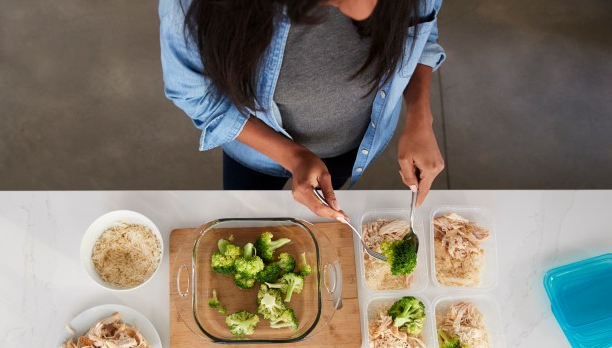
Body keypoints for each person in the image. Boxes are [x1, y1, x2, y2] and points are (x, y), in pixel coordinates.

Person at [159, 0, 445, 221]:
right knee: (246, 215)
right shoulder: (192, 6)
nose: (365, 11)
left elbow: (421, 31)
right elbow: (195, 94)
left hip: (353, 142)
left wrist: (420, 118)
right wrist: (293, 156)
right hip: (253, 151)